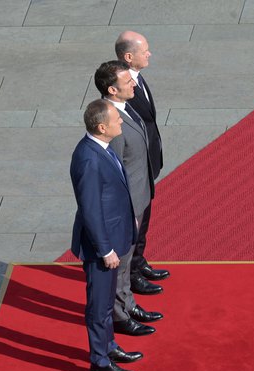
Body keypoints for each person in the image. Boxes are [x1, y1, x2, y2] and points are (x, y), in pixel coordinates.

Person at [70, 99, 142, 371]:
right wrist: (105, 249)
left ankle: (109, 346)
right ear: (102, 127)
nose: (121, 122)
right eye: (116, 119)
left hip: (113, 237)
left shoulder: (101, 148)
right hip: (102, 248)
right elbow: (90, 209)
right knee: (99, 306)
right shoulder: (88, 158)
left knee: (106, 302)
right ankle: (99, 360)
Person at [94, 60, 163, 338]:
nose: (134, 83)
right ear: (112, 89)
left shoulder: (125, 108)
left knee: (128, 259)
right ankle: (120, 316)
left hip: (138, 196)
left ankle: (127, 304)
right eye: (127, 82)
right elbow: (112, 173)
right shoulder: (109, 122)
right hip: (126, 206)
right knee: (120, 264)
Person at [115, 31, 170, 294]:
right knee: (136, 219)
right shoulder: (121, 85)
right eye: (144, 50)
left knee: (145, 217)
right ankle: (132, 273)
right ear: (128, 57)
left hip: (148, 161)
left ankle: (139, 261)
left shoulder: (137, 77)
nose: (149, 54)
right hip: (136, 166)